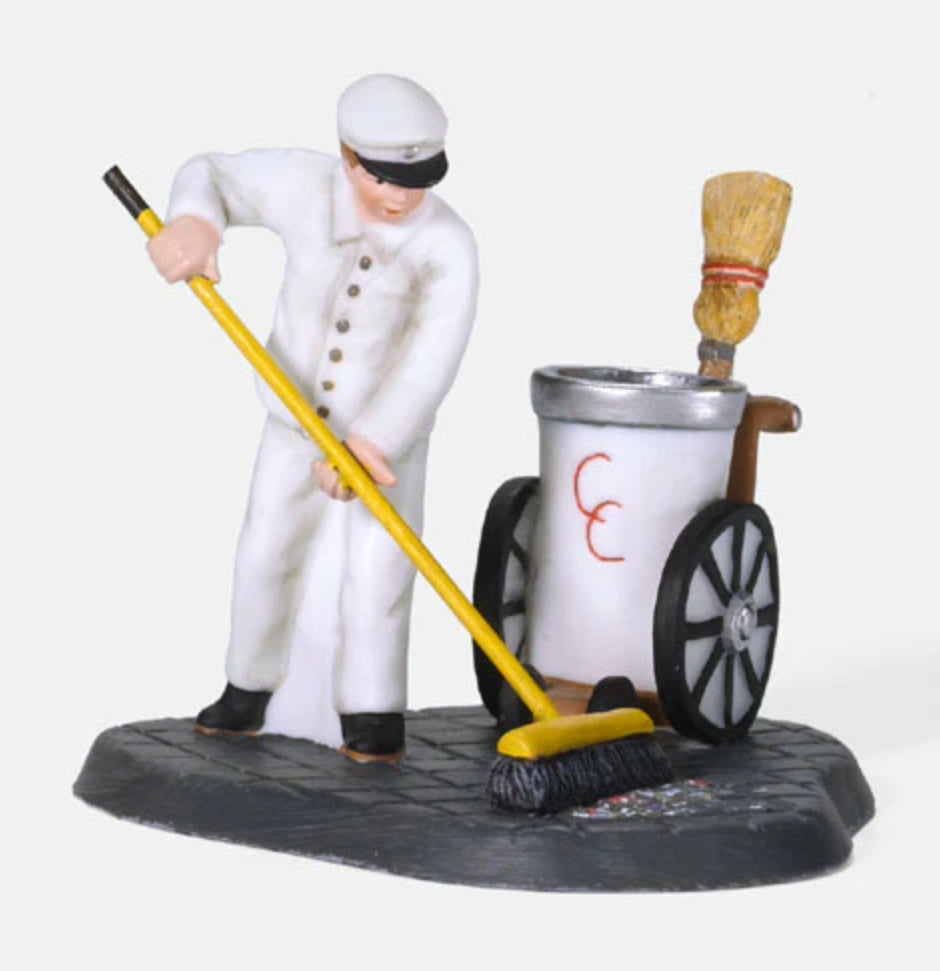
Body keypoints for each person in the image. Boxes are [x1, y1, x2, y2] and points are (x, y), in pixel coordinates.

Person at [147, 74, 479, 761]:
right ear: (349, 157)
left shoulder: (449, 244)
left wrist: (376, 438)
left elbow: (432, 356)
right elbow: (211, 173)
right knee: (265, 550)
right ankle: (246, 687)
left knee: (380, 571)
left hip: (383, 445)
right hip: (292, 423)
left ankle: (373, 710)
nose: (401, 196)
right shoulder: (303, 183)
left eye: (416, 181)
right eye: (383, 178)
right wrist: (196, 220)